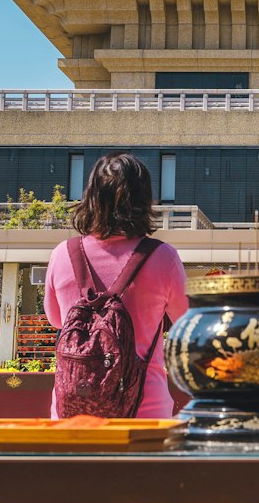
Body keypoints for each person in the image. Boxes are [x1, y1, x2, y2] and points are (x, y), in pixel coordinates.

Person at [44, 152, 187, 419]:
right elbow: (185, 322)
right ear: (145, 200)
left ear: (90, 197)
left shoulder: (63, 253)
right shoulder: (163, 257)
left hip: (71, 414)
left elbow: (56, 319)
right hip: (144, 412)